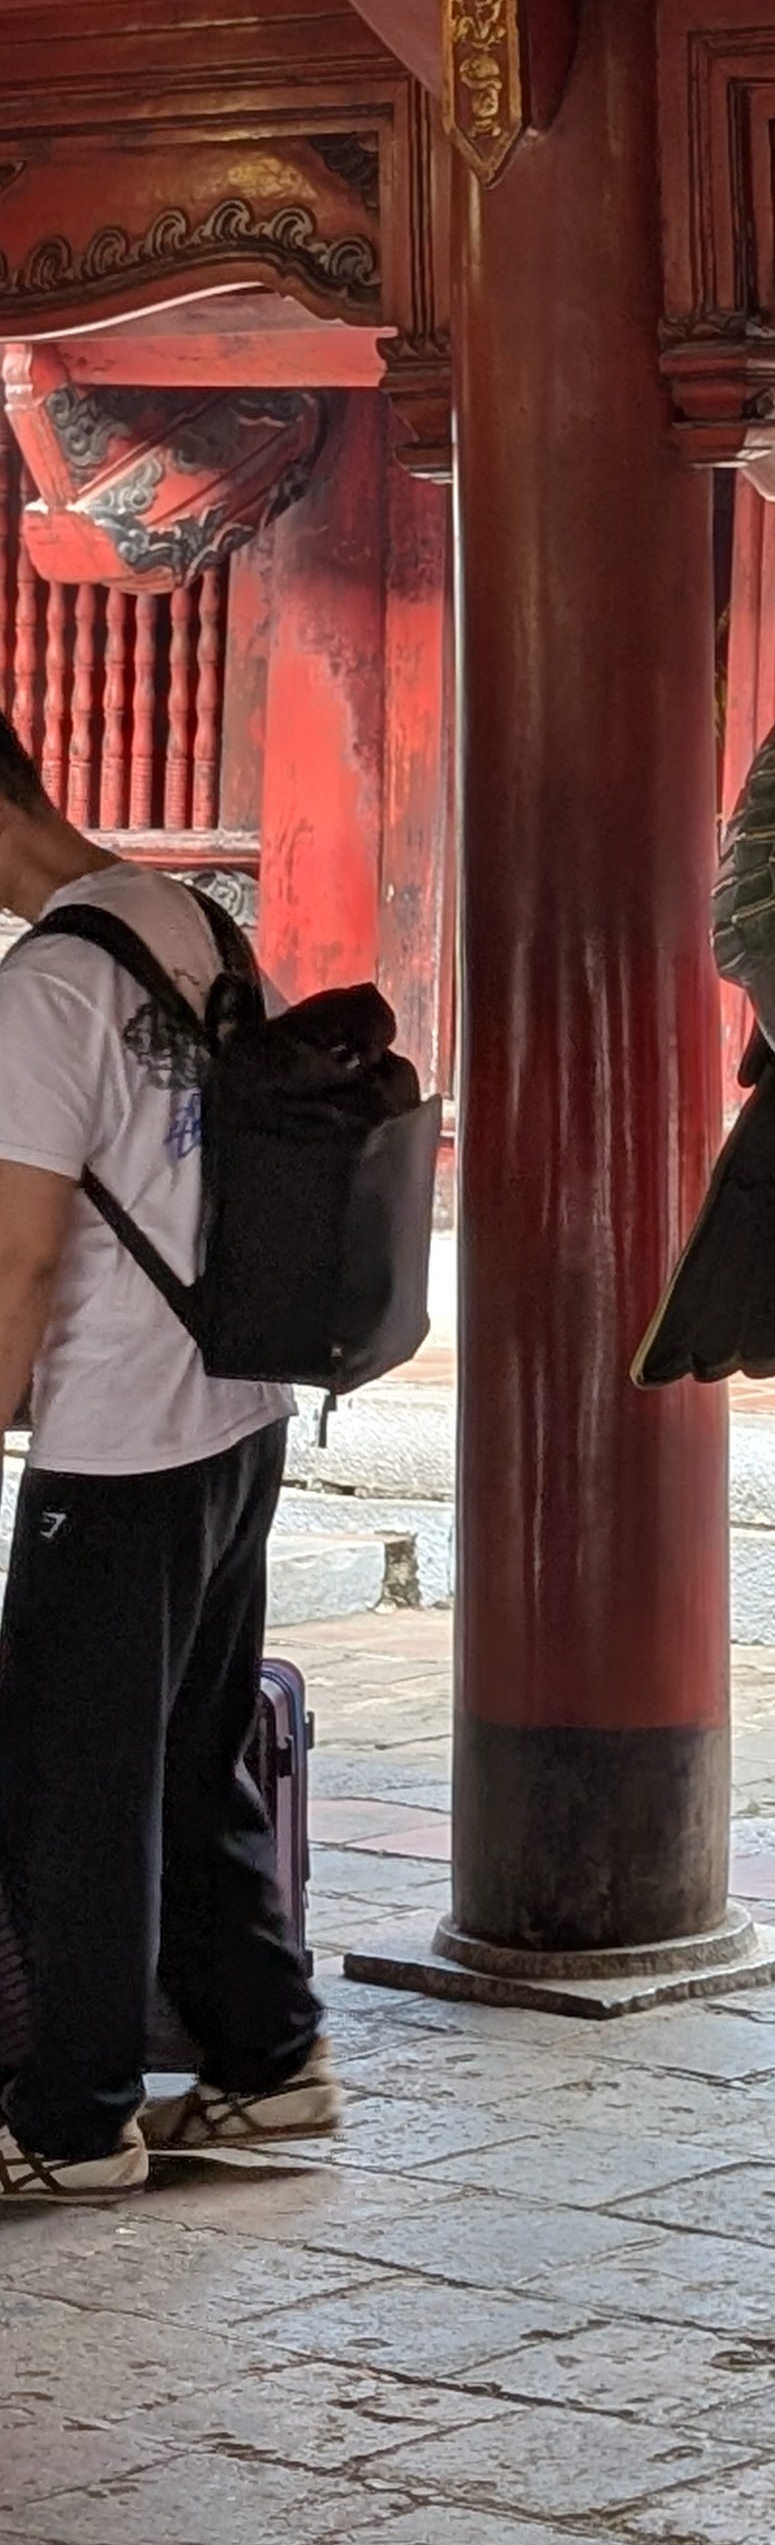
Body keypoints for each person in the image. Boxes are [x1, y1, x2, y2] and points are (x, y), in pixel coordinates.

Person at [0, 719, 335, 2200]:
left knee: (76, 1787)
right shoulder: (191, 919)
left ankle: (75, 2125)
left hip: (117, 1438)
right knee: (198, 1763)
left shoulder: (45, 989)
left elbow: (19, 1259)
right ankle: (269, 2061)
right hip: (236, 1413)